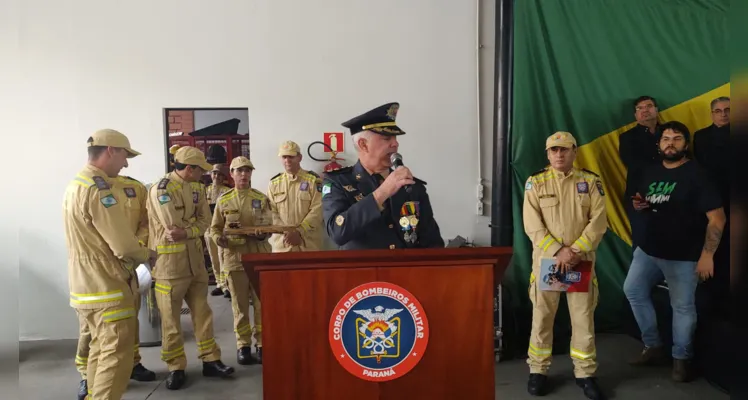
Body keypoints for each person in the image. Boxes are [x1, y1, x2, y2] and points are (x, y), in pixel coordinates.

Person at [623, 121, 725, 383]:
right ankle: (653, 346)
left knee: (682, 307)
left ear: (686, 144)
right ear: (659, 144)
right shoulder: (649, 172)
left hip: (684, 255)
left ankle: (681, 359)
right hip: (649, 250)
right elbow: (652, 205)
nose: (670, 143)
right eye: (666, 138)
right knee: (633, 290)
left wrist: (707, 255)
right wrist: (642, 205)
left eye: (677, 138)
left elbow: (717, 218)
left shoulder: (697, 174)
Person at [63, 129, 157, 400]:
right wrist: (147, 255)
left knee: (99, 352)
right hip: (108, 287)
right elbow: (123, 245)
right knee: (115, 359)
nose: (126, 164)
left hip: (85, 286)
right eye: (125, 156)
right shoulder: (98, 189)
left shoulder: (75, 185)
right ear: (110, 151)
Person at [522, 132, 608, 399]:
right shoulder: (536, 182)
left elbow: (599, 220)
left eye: (564, 150)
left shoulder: (590, 181)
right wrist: (558, 250)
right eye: (553, 150)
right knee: (542, 318)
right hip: (548, 262)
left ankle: (585, 374)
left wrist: (576, 250)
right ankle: (538, 371)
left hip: (580, 262)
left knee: (583, 319)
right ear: (547, 154)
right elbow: (532, 224)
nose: (559, 154)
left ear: (574, 152)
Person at [147, 146, 235, 390]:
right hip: (169, 266)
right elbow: (170, 227)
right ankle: (176, 366)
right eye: (200, 170)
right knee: (171, 321)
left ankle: (211, 359)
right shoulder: (162, 189)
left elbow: (205, 221)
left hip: (195, 263)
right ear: (189, 169)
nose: (204, 175)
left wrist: (188, 230)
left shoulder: (197, 187)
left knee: (203, 314)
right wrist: (189, 228)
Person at [321, 102, 444, 250]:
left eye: (395, 139)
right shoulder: (337, 183)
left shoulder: (411, 186)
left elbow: (432, 243)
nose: (395, 144)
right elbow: (337, 232)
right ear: (363, 145)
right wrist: (382, 192)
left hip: (406, 271)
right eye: (387, 139)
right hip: (361, 272)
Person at [210, 156, 270, 365]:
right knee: (240, 305)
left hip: (259, 257)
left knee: (262, 304)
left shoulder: (260, 198)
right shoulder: (224, 200)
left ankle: (262, 343)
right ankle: (242, 345)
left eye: (247, 171)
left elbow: (270, 225)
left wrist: (263, 233)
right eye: (239, 171)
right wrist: (220, 239)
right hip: (235, 259)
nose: (244, 175)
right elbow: (215, 228)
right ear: (232, 174)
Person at [619, 96, 662, 251]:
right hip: (640, 198)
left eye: (649, 106)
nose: (645, 110)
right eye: (640, 108)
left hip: (673, 194)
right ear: (635, 115)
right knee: (643, 247)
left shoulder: (670, 132)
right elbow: (635, 166)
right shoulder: (627, 138)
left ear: (656, 110)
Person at [267, 140, 324, 252]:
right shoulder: (274, 183)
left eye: (291, 157)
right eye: (284, 157)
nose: (287, 160)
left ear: (299, 158)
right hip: (282, 245)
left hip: (308, 245)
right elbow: (270, 212)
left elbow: (318, 210)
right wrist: (287, 232)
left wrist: (299, 232)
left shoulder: (313, 181)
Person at [205, 163, 232, 297]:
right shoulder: (205, 190)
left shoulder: (227, 191)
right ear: (211, 175)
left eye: (220, 175)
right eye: (214, 173)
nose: (216, 176)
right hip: (208, 229)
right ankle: (218, 283)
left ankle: (226, 285)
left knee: (222, 258)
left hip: (222, 230)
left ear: (224, 177)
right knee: (213, 258)